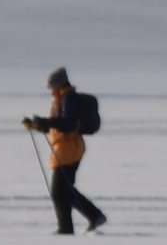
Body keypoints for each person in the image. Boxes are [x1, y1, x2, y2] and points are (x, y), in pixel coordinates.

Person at [25, 67, 106, 233]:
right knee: (63, 191)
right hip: (63, 149)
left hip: (69, 149)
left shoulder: (68, 99)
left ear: (58, 84)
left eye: (51, 86)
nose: (50, 90)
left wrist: (45, 122)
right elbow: (57, 125)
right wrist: (36, 125)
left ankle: (80, 222)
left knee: (59, 190)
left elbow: (68, 124)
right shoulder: (61, 99)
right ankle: (73, 224)